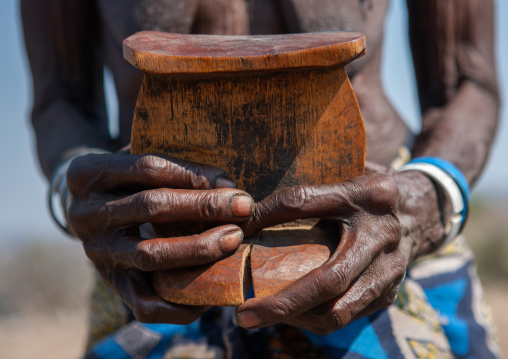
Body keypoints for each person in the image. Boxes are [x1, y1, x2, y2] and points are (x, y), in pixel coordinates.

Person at [22, 0, 500, 358]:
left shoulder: (398, 222)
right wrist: (82, 188)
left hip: (381, 240)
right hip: (151, 264)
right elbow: (60, 94)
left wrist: (424, 198)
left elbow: (467, 76)